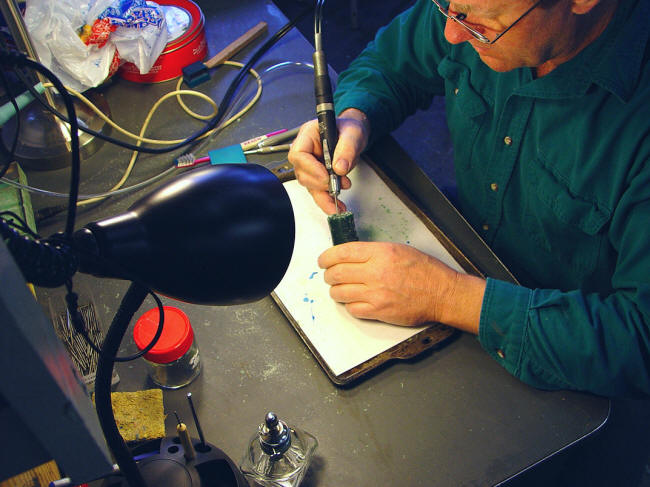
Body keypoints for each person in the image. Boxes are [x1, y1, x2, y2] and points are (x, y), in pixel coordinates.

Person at [288, 0, 650, 399]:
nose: (453, 35)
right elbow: (392, 63)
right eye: (446, 7)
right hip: (464, 254)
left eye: (483, 23)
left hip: (570, 378)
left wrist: (447, 296)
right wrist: (354, 118)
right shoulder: (471, 8)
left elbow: (639, 345)